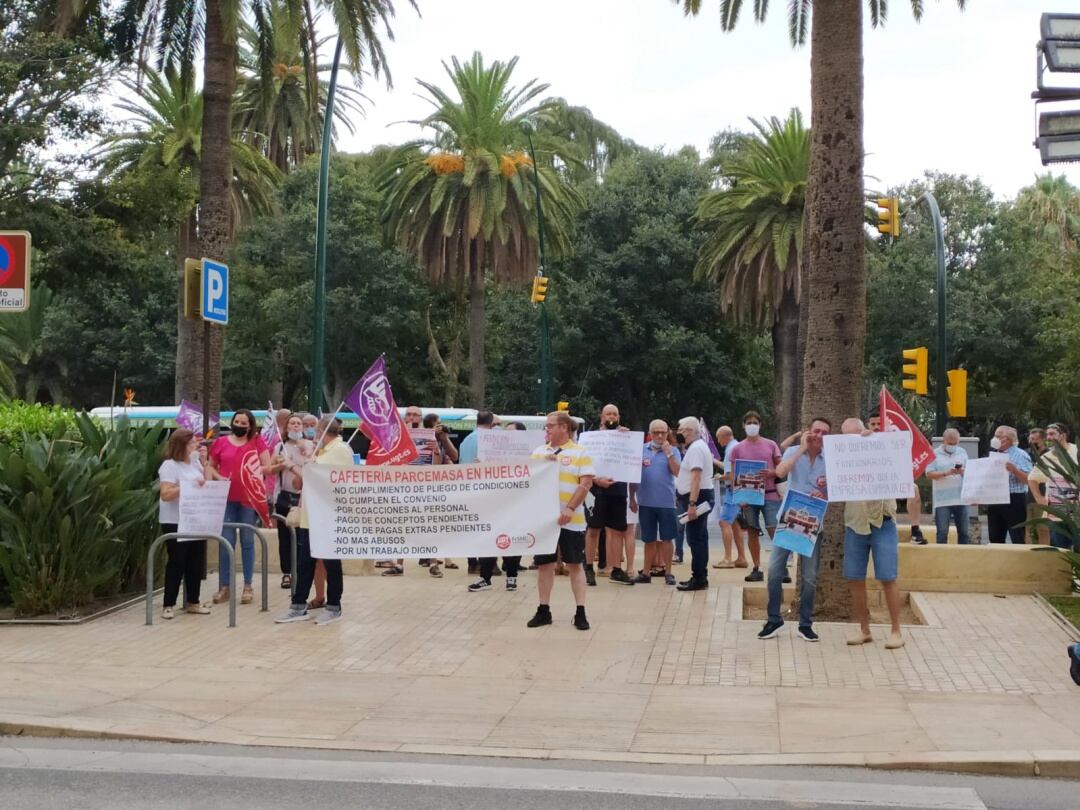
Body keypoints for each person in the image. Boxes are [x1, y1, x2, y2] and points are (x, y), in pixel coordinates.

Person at [757, 417, 830, 642]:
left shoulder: (832, 460)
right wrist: (801, 449)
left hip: (813, 524)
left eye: (824, 433)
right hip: (788, 520)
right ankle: (774, 618)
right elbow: (780, 472)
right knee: (775, 572)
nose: (819, 436)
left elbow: (841, 488)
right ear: (808, 432)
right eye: (816, 431)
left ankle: (805, 624)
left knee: (809, 577)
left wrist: (826, 493)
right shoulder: (793, 452)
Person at [275, 416, 351, 625]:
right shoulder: (322, 451)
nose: (312, 433)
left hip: (328, 515)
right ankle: (298, 605)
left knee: (330, 561)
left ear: (322, 430)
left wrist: (292, 465)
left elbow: (318, 477)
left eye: (315, 429)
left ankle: (334, 606)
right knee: (305, 562)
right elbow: (303, 481)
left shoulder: (339, 450)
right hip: (311, 514)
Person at [840, 418, 905, 650]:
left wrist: (877, 441)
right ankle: (864, 629)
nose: (853, 439)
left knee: (888, 577)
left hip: (882, 521)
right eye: (847, 436)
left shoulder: (882, 447)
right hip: (855, 523)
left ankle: (896, 630)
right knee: (855, 577)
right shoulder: (842, 459)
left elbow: (899, 452)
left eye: (856, 434)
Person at [529, 410, 595, 630]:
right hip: (544, 520)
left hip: (572, 520)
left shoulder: (580, 453)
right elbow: (528, 482)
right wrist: (542, 466)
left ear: (564, 428)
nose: (546, 429)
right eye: (546, 426)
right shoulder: (539, 452)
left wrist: (570, 507)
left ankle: (580, 611)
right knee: (544, 565)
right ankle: (543, 609)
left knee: (575, 564)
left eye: (550, 425)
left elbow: (585, 483)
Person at [206, 408, 272, 605]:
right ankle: (225, 586)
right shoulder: (220, 442)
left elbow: (267, 466)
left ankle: (248, 585)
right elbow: (209, 466)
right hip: (225, 498)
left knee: (247, 541)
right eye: (237, 421)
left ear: (250, 426)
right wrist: (219, 478)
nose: (240, 425)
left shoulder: (257, 441)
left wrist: (251, 471)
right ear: (232, 422)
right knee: (226, 541)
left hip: (249, 499)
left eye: (244, 423)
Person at [156, 428, 211, 619]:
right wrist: (185, 488)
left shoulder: (195, 464)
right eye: (192, 443)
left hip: (195, 518)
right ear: (182, 445)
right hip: (175, 520)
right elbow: (165, 494)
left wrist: (205, 464)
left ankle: (193, 601)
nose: (196, 445)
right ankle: (168, 603)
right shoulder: (170, 466)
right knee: (177, 561)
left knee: (195, 562)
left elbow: (207, 483)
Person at [467, 411, 521, 592]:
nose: (502, 432)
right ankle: (485, 577)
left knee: (512, 538)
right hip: (491, 500)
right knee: (489, 537)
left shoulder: (522, 453)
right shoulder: (490, 449)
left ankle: (511, 577)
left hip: (513, 501)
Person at [726, 411, 782, 583]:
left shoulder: (771, 445)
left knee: (775, 529)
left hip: (771, 494)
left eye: (755, 422)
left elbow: (781, 469)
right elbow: (734, 475)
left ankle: (781, 567)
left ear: (760, 424)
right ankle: (757, 567)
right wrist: (739, 496)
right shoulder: (737, 449)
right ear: (743, 425)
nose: (752, 425)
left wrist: (771, 472)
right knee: (752, 530)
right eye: (749, 422)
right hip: (748, 497)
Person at [584, 404, 635, 586]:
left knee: (617, 530)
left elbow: (632, 460)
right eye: (608, 414)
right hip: (596, 489)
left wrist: (628, 438)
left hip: (618, 489)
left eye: (615, 413)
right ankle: (589, 568)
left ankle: (616, 569)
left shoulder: (625, 436)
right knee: (593, 529)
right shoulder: (591, 438)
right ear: (601, 417)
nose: (611, 416)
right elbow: (583, 464)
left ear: (619, 417)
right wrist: (596, 480)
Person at [269, 413, 315, 588]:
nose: (296, 426)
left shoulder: (310, 446)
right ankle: (287, 572)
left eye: (298, 424)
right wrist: (281, 465)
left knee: (302, 537)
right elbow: (268, 469)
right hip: (285, 496)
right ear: (286, 427)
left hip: (304, 496)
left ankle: (300, 571)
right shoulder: (280, 447)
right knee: (284, 536)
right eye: (292, 423)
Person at [868, 411, 927, 545]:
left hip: (890, 481)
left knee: (914, 489)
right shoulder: (862, 440)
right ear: (868, 425)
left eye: (879, 423)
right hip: (868, 483)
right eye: (873, 424)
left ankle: (915, 530)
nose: (876, 426)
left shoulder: (894, 442)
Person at [634, 419, 681, 586]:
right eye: (656, 432)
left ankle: (668, 572)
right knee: (649, 539)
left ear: (668, 433)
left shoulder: (674, 451)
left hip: (666, 502)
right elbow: (632, 474)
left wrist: (668, 454)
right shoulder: (641, 450)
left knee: (667, 538)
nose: (659, 435)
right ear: (650, 434)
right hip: (645, 502)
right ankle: (646, 572)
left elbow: (677, 472)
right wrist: (632, 497)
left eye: (663, 432)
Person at [674, 417, 715, 591]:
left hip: (697, 498)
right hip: (697, 496)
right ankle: (700, 576)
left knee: (695, 539)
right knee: (699, 538)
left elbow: (696, 477)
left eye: (681, 430)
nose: (679, 433)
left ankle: (698, 578)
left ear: (690, 431)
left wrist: (691, 503)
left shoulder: (697, 448)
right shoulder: (696, 447)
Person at [1029, 422, 1079, 551]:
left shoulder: (1077, 451)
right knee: (1061, 552)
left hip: (1078, 514)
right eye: (1047, 435)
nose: (1048, 438)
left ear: (1063, 435)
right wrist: (1039, 499)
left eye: (1052, 434)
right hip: (1057, 514)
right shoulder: (1046, 458)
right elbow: (1032, 479)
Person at [986, 425, 1032, 544]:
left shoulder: (1021, 455)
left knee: (1017, 536)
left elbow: (1029, 480)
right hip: (995, 499)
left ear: (1007, 439)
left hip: (1014, 499)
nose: (994, 439)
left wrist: (1014, 470)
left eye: (997, 436)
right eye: (994, 436)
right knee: (995, 537)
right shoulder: (994, 454)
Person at [925, 428, 969, 545]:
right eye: (950, 443)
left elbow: (970, 473)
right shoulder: (934, 454)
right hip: (942, 501)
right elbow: (929, 474)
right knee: (942, 533)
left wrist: (963, 472)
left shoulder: (962, 452)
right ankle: (941, 560)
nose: (953, 446)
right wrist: (947, 473)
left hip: (961, 499)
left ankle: (964, 559)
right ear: (943, 441)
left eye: (955, 443)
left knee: (964, 533)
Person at [713, 425, 747, 569]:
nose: (718, 441)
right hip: (739, 489)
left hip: (733, 490)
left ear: (724, 436)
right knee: (735, 524)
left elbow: (730, 475)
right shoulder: (737, 446)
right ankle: (741, 558)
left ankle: (727, 558)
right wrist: (714, 461)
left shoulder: (730, 450)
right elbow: (728, 468)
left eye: (718, 438)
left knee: (724, 522)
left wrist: (719, 477)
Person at [1027, 428, 1050, 545]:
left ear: (1043, 440)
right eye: (1030, 439)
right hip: (1029, 497)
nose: (1032, 442)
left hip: (1042, 496)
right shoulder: (1027, 455)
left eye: (1035, 439)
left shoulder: (1049, 455)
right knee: (1030, 530)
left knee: (1043, 529)